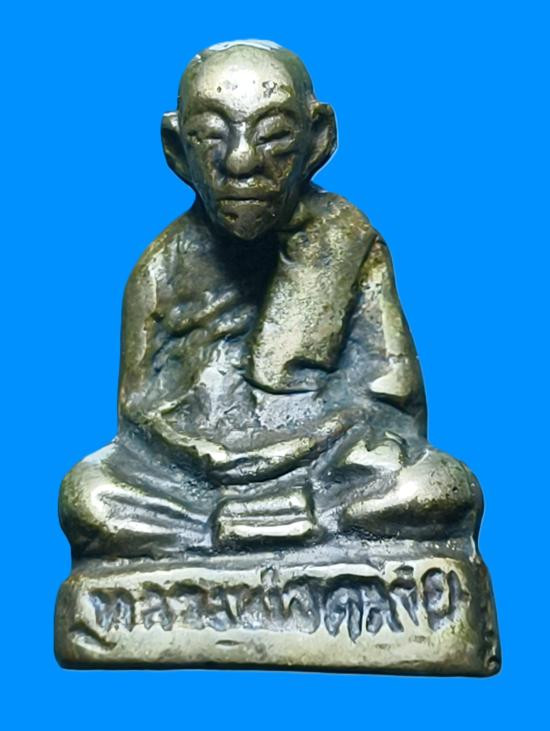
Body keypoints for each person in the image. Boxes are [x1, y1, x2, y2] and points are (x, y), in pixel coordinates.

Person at [60, 41, 481, 560]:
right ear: (176, 149)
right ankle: (253, 528)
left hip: (326, 468)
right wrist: (212, 457)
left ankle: (254, 528)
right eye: (210, 134)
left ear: (318, 139)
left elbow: (394, 404)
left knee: (438, 485)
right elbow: (136, 419)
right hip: (196, 482)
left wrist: (309, 444)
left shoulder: (347, 241)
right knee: (88, 495)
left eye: (275, 136)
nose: (240, 161)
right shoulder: (161, 269)